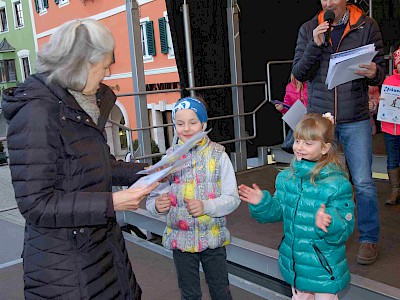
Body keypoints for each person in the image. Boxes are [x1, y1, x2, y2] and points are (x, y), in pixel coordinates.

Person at [1, 19, 159, 300]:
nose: (107, 72)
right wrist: (111, 203)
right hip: (64, 268)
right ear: (81, 64)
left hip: (99, 250)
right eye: (104, 66)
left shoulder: (77, 104)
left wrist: (153, 170)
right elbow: (36, 204)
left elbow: (102, 165)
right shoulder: (37, 114)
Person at [291, 0, 386, 265]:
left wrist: (375, 71)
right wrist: (314, 43)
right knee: (317, 181)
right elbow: (299, 71)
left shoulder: (367, 25)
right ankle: (316, 234)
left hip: (354, 116)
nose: (329, 2)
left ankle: (368, 238)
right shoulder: (310, 27)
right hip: (321, 121)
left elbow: (380, 70)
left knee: (364, 182)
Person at [239, 113, 355, 300]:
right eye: (298, 141)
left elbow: (345, 228)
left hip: (323, 268)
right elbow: (278, 212)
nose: (300, 147)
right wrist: (262, 203)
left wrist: (330, 222)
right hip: (295, 265)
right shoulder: (286, 178)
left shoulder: (337, 184)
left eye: (308, 143)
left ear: (325, 148)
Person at [146, 97, 240, 300]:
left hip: (213, 239)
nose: (186, 129)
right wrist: (156, 204)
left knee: (220, 291)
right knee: (189, 295)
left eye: (193, 122)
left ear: (204, 124)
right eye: (180, 124)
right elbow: (153, 195)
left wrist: (207, 206)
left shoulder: (218, 155)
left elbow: (233, 198)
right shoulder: (169, 158)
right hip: (180, 239)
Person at [379, 46, 400, 205]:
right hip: (389, 128)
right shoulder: (388, 81)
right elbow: (383, 101)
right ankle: (394, 190)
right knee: (392, 160)